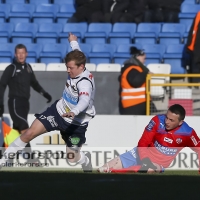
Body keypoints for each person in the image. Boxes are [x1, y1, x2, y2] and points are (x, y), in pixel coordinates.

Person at [0, 33, 96, 172]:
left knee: (71, 157)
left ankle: (84, 159)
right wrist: (73, 41)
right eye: (66, 67)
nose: (68, 70)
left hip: (76, 123)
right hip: (58, 112)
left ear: (81, 67)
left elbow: (84, 101)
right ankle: (2, 162)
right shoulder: (78, 60)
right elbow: (76, 50)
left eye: (71, 68)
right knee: (28, 133)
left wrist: (74, 112)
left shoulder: (85, 83)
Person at [98, 104, 200, 173]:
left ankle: (119, 171)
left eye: (171, 120)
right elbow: (143, 142)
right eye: (166, 117)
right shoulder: (157, 121)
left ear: (180, 122)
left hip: (157, 164)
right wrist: (145, 159)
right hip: (139, 154)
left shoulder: (188, 133)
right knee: (103, 169)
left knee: (149, 169)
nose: (167, 122)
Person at [0, 44, 52, 157]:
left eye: (23, 53)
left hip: (24, 104)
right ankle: (31, 159)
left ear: (26, 54)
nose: (21, 55)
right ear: (15, 55)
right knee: (25, 130)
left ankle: (6, 157)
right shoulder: (12, 68)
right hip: (15, 103)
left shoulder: (28, 67)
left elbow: (34, 83)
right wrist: (0, 103)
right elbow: (2, 85)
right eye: (18, 53)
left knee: (15, 132)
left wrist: (45, 94)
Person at [119, 46, 155, 115]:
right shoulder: (132, 69)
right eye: (144, 58)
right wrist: (145, 73)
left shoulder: (134, 68)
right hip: (134, 104)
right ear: (138, 57)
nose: (145, 61)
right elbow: (136, 82)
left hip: (138, 103)